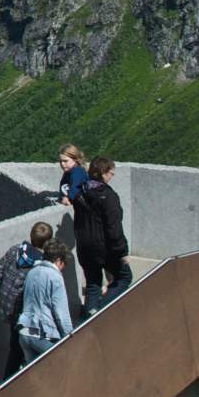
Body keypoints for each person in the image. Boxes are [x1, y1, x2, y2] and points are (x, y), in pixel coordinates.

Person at [0, 220, 54, 376]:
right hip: (21, 314)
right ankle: (11, 382)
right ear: (48, 243)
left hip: (5, 308)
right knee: (18, 351)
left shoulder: (15, 250)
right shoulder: (41, 266)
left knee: (16, 345)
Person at [74, 157, 131, 317]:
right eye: (110, 173)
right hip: (104, 249)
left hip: (84, 248)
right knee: (124, 277)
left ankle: (87, 320)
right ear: (103, 173)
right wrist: (122, 252)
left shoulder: (80, 191)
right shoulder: (108, 196)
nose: (112, 176)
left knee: (93, 284)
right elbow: (114, 230)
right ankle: (98, 310)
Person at [16, 240, 74, 366]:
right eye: (63, 264)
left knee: (35, 378)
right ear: (58, 260)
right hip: (43, 335)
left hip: (25, 332)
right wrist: (70, 338)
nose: (62, 268)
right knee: (62, 367)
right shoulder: (55, 277)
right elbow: (61, 314)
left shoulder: (31, 272)